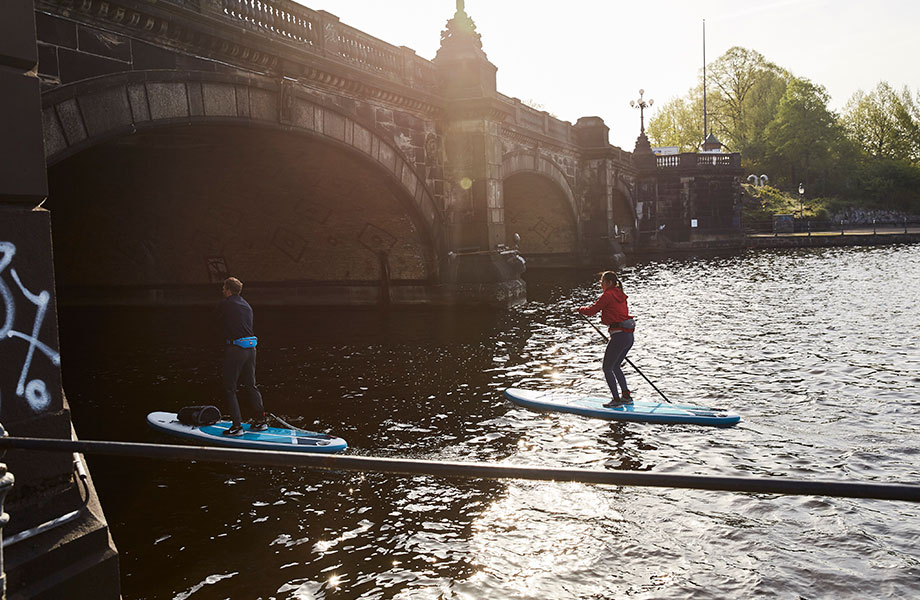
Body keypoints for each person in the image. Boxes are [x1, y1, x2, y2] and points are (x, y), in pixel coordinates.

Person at [576, 271, 636, 407]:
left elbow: (592, 310)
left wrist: (580, 309)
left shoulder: (608, 295)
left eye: (602, 283)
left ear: (608, 283)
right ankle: (626, 396)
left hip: (619, 336)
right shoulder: (620, 294)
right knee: (615, 366)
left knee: (607, 368)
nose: (601, 285)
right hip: (628, 337)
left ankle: (616, 400)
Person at [219, 276, 267, 436]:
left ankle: (237, 427)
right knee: (251, 384)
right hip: (251, 349)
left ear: (228, 290)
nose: (222, 290)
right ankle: (261, 421)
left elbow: (215, 320)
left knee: (230, 388)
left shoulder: (226, 304)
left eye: (224, 288)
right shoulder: (247, 305)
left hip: (236, 349)